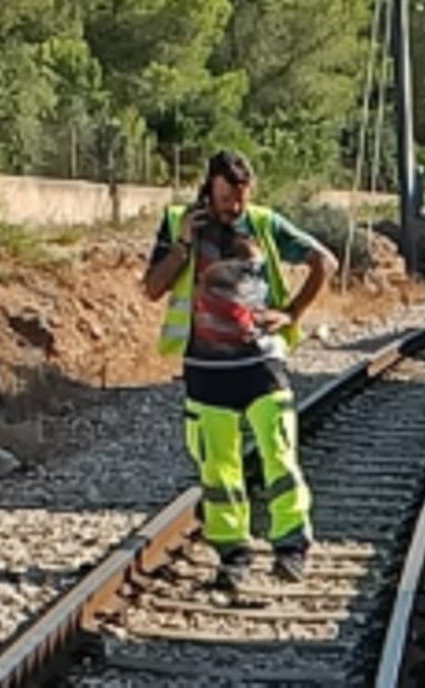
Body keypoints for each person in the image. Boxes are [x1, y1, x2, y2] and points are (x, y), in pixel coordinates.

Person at [141, 149, 339, 589]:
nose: (235, 207)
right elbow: (152, 289)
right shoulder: (178, 223)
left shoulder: (264, 223)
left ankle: (291, 547)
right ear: (208, 188)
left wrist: (291, 313)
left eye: (242, 198)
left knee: (279, 452)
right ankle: (234, 553)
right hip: (205, 368)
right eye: (227, 197)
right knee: (218, 467)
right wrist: (183, 247)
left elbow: (325, 262)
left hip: (261, 363)